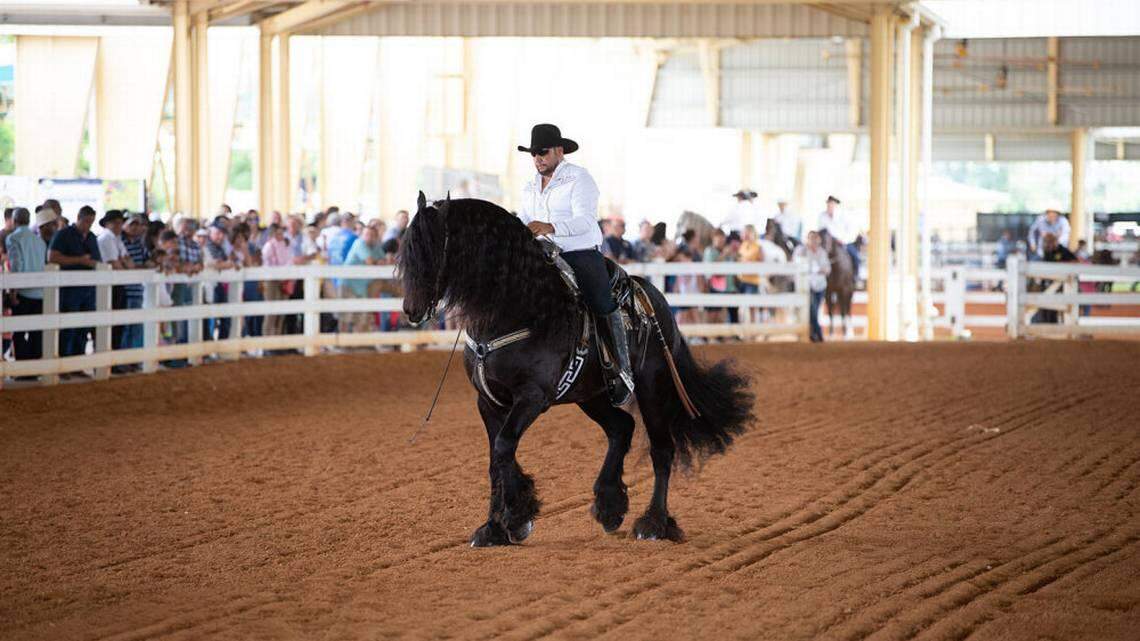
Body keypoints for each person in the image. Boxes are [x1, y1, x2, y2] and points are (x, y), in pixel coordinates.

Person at [516, 123, 633, 406]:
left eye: (542, 152)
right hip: (541, 254)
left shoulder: (579, 178)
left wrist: (550, 226)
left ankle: (621, 369)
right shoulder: (530, 186)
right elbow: (522, 220)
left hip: (578, 252)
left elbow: (585, 221)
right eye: (533, 154)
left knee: (601, 302)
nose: (537, 158)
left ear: (559, 151)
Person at [48, 205, 102, 375]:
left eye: (91, 222)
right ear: (78, 218)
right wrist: (79, 260)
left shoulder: (92, 237)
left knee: (83, 328)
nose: (88, 225)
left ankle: (77, 365)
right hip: (70, 289)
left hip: (88, 289)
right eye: (86, 221)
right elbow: (52, 257)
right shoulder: (63, 234)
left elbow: (97, 260)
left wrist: (92, 264)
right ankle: (64, 365)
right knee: (68, 327)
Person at [5, 207, 54, 371]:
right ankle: (35, 367)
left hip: (24, 291)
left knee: (18, 332)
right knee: (36, 332)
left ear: (14, 220)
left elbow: (17, 266)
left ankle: (23, 369)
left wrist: (13, 291)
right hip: (39, 292)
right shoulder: (39, 241)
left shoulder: (13, 238)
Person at [341, 225, 387, 333]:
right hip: (349, 284)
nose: (368, 237)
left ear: (376, 237)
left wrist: (379, 262)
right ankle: (339, 343)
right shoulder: (359, 243)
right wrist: (378, 262)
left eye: (371, 235)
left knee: (363, 312)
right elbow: (370, 261)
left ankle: (359, 342)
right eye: (366, 234)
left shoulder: (376, 246)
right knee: (346, 315)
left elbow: (384, 261)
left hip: (363, 285)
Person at [794, 230, 831, 343]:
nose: (813, 240)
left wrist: (822, 270)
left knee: (814, 310)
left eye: (815, 238)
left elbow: (828, 269)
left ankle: (813, 333)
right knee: (813, 309)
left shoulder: (822, 252)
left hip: (820, 286)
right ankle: (819, 334)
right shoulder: (802, 251)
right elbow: (796, 264)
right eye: (811, 238)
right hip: (807, 285)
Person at [817, 195, 860, 277]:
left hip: (844, 242)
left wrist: (843, 240)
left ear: (836, 205)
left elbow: (852, 231)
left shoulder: (844, 215)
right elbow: (821, 231)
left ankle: (855, 277)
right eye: (828, 204)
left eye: (832, 204)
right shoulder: (822, 216)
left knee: (855, 257)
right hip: (827, 243)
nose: (830, 206)